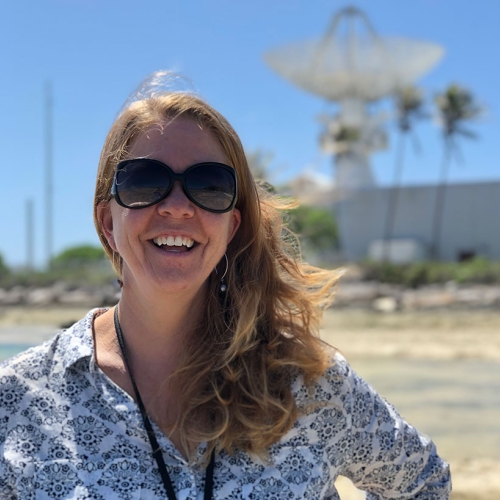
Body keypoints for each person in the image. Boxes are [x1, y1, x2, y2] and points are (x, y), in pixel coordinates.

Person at [0, 72, 451, 499]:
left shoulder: (306, 384)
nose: (177, 207)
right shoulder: (19, 400)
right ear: (106, 222)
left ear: (231, 226)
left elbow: (424, 483)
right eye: (145, 182)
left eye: (209, 185)